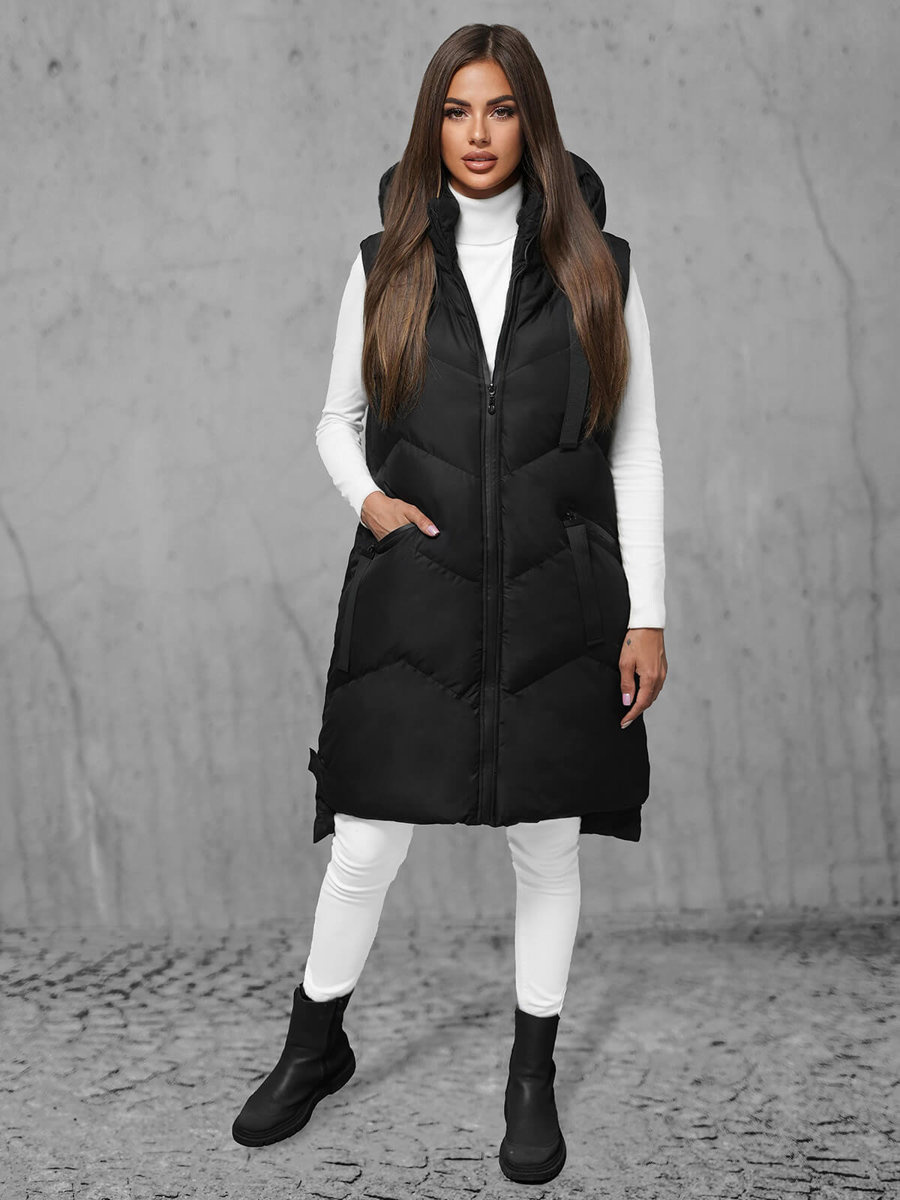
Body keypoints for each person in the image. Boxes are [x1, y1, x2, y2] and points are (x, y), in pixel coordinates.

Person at [232, 22, 668, 1186]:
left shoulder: (602, 269)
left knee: (548, 841)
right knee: (368, 837)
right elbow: (336, 418)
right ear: (433, 124)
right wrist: (370, 501)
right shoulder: (387, 263)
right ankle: (313, 1049)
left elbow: (636, 453)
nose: (479, 134)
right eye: (457, 110)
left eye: (502, 109)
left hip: (559, 602)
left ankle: (531, 1079)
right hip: (414, 597)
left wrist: (649, 615)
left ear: (534, 121)